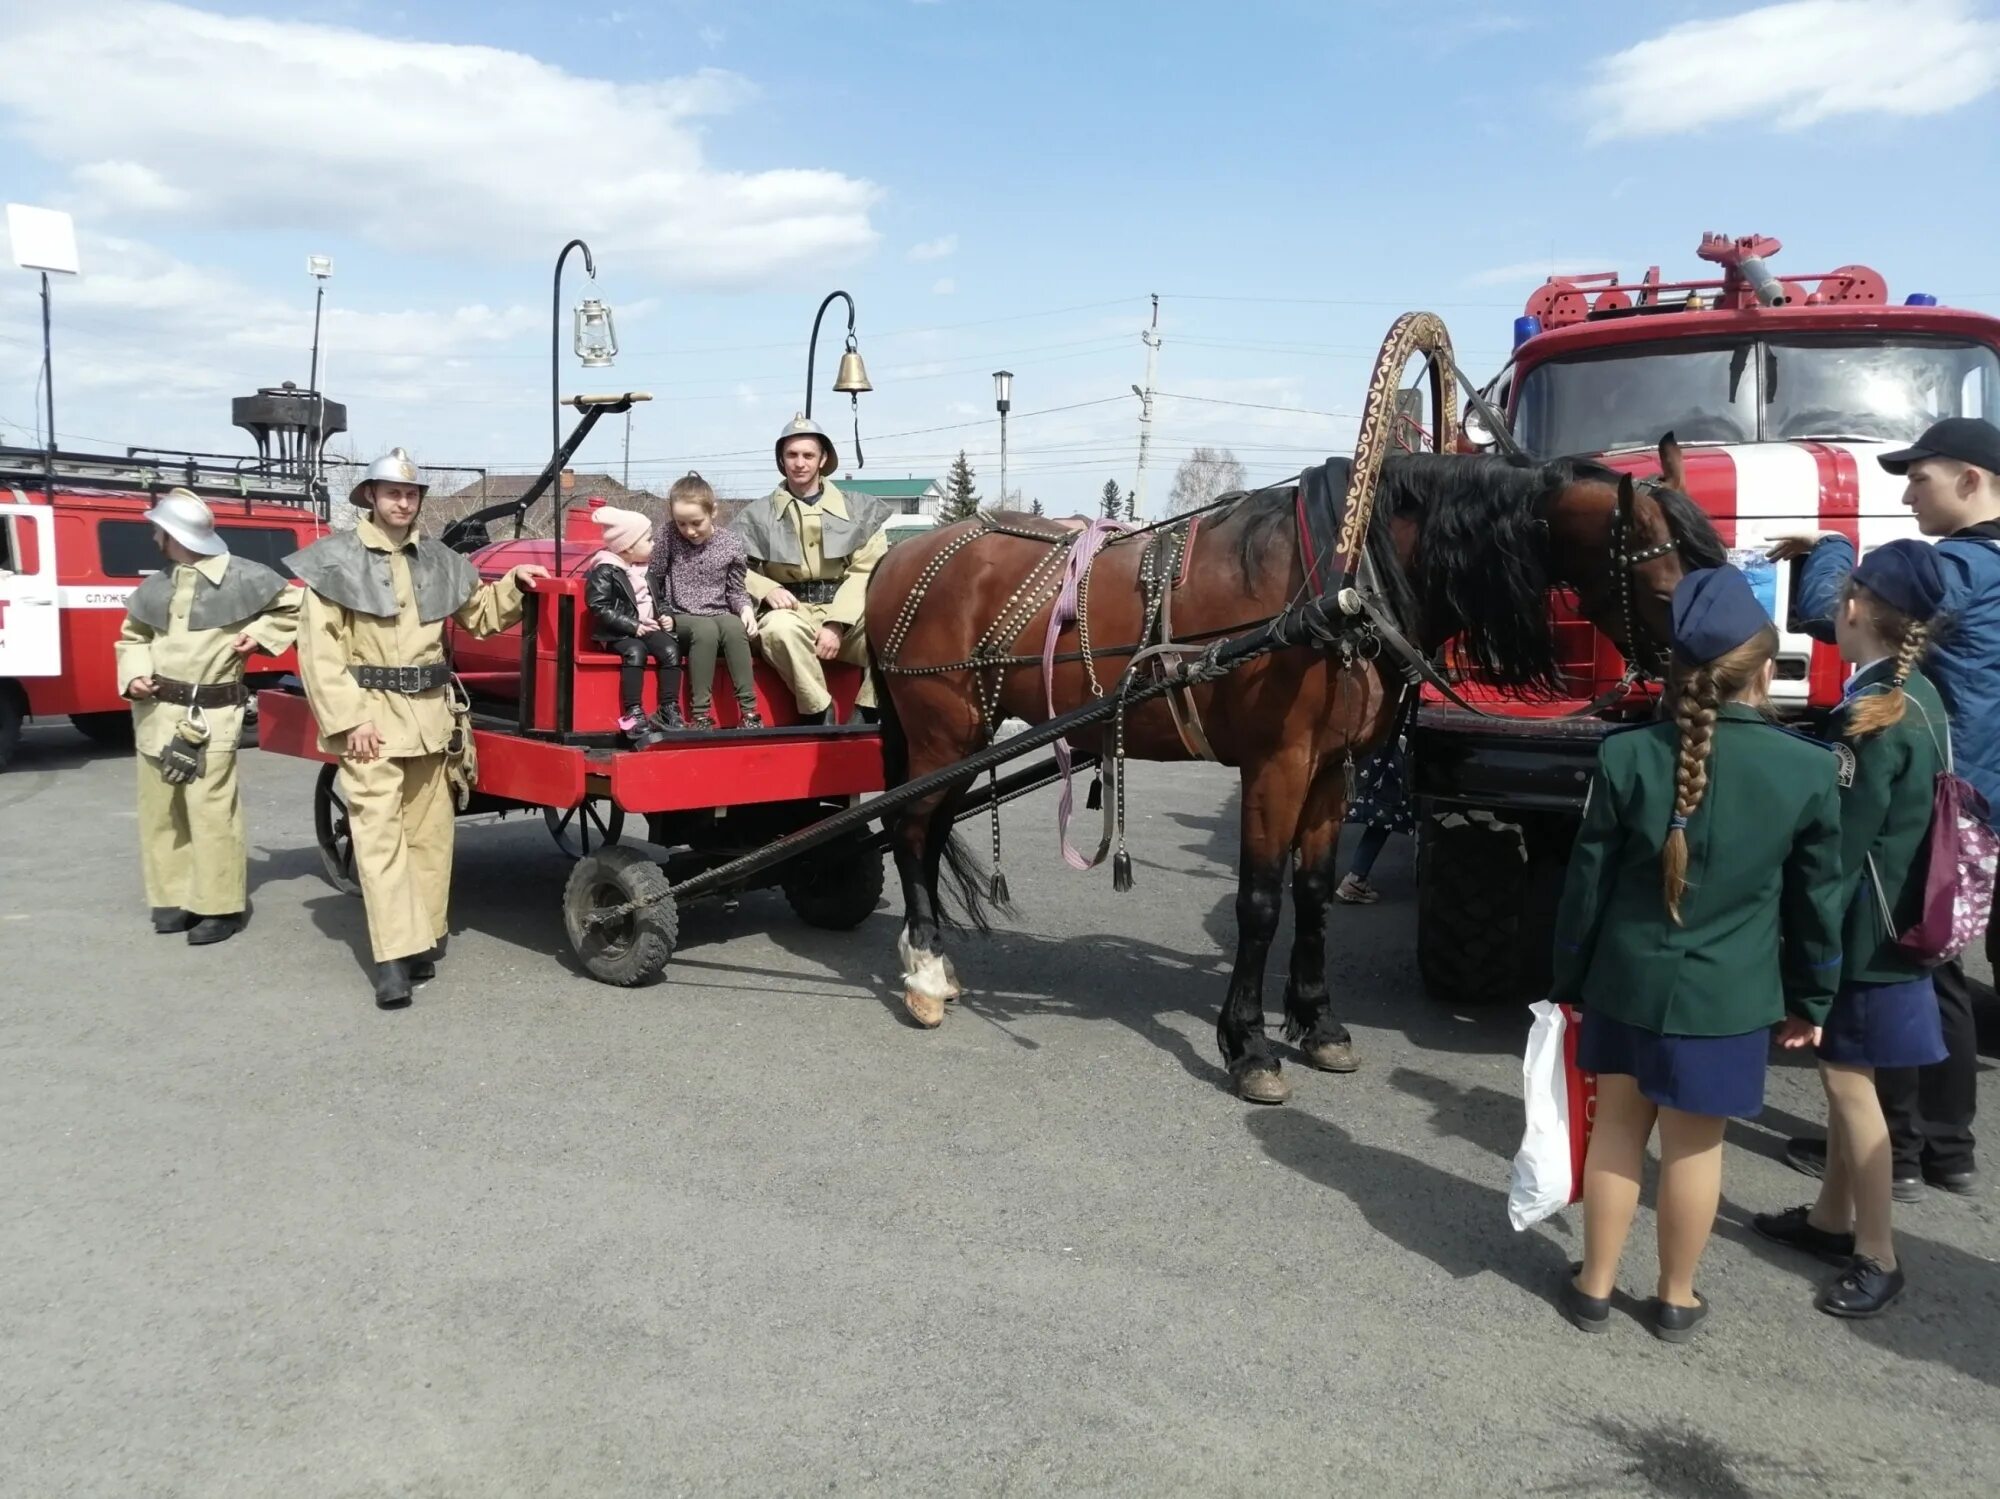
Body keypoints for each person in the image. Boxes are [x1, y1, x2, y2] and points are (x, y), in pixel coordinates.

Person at [1550, 565, 1844, 1343]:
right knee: (1694, 1146)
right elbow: (1818, 905)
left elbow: (1586, 886)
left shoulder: (1625, 756)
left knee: (1617, 1129)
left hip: (1625, 980)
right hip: (1729, 997)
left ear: (1675, 671)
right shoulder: (1811, 771)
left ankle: (1594, 1285)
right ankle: (1676, 1296)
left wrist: (1569, 978)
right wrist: (1812, 998)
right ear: (1766, 669)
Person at [1771, 415, 2000, 1198]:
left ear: (1972, 479)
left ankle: (1893, 1149)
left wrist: (1826, 547)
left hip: (1929, 802)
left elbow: (1844, 610)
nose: (1907, 494)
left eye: (1920, 476)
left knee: (1891, 960)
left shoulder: (1967, 566)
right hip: (1975, 795)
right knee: (1938, 966)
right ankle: (1949, 1147)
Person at [1752, 540, 1950, 1318]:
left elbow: (1837, 851)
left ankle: (1879, 1251)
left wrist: (1807, 956)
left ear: (1857, 609)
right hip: (1899, 920)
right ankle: (1833, 1220)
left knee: (1846, 1083)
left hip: (1864, 937)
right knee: (1848, 1079)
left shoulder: (1875, 716)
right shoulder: (1918, 696)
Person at [288, 449, 547, 1010]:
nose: (402, 502)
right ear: (370, 498)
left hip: (431, 717)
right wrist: (349, 718)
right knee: (380, 841)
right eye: (391, 493)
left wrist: (517, 586)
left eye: (411, 494)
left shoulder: (438, 559)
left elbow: (478, 615)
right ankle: (391, 958)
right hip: (370, 719)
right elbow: (319, 652)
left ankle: (423, 936)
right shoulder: (334, 562)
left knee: (431, 837)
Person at [114, 489, 300, 945]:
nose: (153, 536)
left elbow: (295, 607)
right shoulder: (157, 584)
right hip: (156, 712)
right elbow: (133, 635)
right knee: (161, 811)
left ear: (171, 534)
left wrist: (257, 634)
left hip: (210, 712)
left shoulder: (244, 577)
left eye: (157, 529)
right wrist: (135, 675)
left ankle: (219, 906)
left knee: (211, 811)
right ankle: (173, 898)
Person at [731, 414, 893, 724]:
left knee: (895, 629)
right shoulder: (757, 514)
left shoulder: (858, 510)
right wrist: (767, 589)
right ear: (781, 459)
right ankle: (819, 710)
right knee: (778, 630)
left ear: (823, 459)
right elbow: (732, 564)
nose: (800, 463)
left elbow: (865, 571)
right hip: (791, 613)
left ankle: (868, 711)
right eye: (792, 455)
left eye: (808, 455)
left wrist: (837, 624)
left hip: (847, 613)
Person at [650, 472, 762, 731]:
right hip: (680, 614)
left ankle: (749, 713)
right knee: (706, 630)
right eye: (681, 524)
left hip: (719, 611)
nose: (689, 531)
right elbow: (653, 579)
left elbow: (735, 589)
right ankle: (701, 715)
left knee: (734, 627)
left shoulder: (730, 543)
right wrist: (661, 612)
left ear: (713, 511)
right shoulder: (667, 536)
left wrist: (745, 609)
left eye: (696, 522)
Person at [582, 503, 684, 748]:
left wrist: (667, 615)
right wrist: (632, 625)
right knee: (635, 651)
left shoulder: (646, 571)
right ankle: (633, 712)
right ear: (628, 546)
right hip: (617, 632)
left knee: (670, 649)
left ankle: (668, 707)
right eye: (648, 540)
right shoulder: (606, 570)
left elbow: (660, 599)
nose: (654, 544)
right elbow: (599, 606)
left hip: (646, 627)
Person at [1335, 730, 1414, 904]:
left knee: (1331, 806)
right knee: (1384, 814)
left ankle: (1309, 866)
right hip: (1383, 744)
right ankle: (1356, 877)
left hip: (1349, 742)